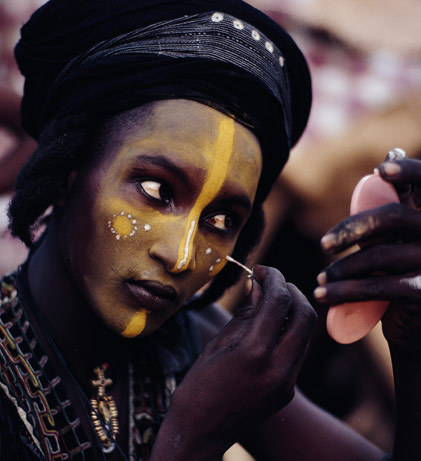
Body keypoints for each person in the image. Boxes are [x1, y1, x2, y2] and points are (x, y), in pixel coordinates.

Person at [0, 0, 419, 460]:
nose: (181, 256)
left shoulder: (195, 340)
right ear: (68, 170)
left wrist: (412, 345)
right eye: (157, 190)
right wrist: (194, 438)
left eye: (222, 222)